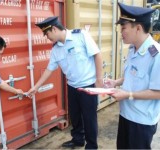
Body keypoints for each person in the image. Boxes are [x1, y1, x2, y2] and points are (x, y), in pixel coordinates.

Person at [27, 16, 103, 149]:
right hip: (72, 86)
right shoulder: (56, 49)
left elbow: (97, 54)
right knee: (75, 116)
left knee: (89, 119)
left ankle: (92, 146)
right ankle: (78, 139)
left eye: (47, 33)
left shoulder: (81, 36)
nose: (46, 37)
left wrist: (99, 80)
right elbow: (49, 70)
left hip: (88, 86)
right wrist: (36, 87)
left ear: (54, 29)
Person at [104, 2, 160, 149]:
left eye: (123, 28)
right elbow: (133, 75)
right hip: (126, 115)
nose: (120, 32)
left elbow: (158, 93)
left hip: (141, 122)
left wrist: (127, 94)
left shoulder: (156, 55)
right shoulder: (133, 49)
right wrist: (116, 82)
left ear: (138, 28)